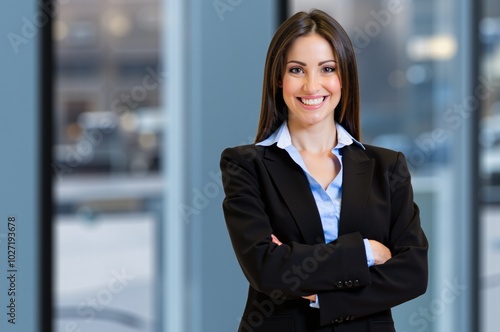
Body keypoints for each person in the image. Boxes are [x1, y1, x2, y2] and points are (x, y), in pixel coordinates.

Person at [220, 9, 428, 332]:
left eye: (327, 69)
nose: (312, 85)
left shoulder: (387, 168)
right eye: (297, 70)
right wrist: (366, 251)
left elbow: (413, 272)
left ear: (343, 77)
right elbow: (267, 270)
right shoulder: (246, 166)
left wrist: (323, 295)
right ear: (279, 78)